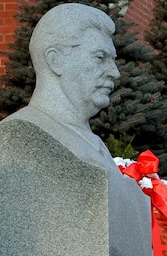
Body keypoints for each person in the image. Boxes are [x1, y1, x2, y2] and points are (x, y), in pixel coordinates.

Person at [17, 3, 120, 167]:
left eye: (113, 60)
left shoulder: (93, 143)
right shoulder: (23, 133)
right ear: (55, 61)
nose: (115, 73)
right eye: (100, 57)